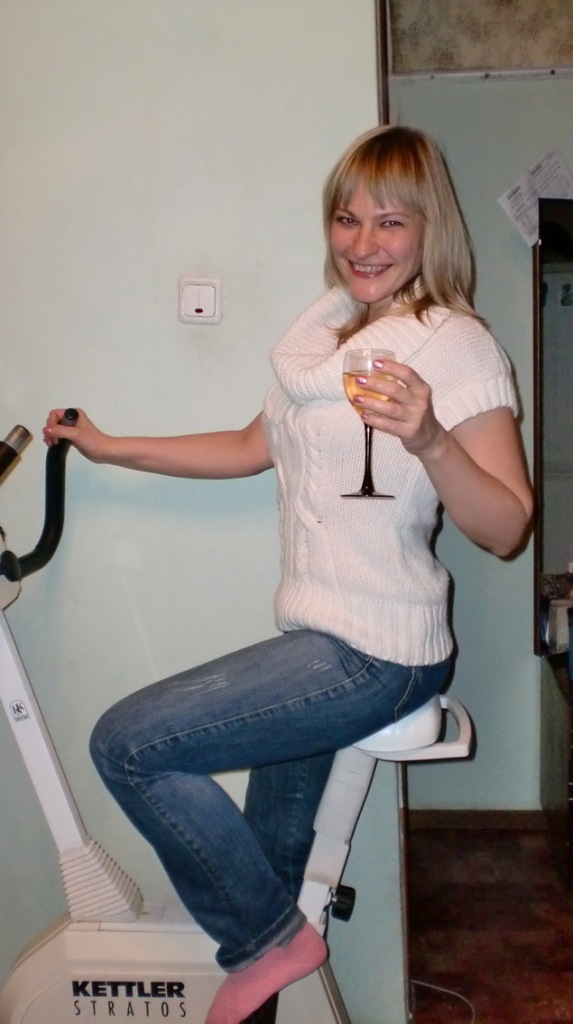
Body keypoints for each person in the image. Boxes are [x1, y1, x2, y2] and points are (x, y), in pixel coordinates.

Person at [44, 125, 533, 1024]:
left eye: (390, 221)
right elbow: (245, 445)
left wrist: (429, 438)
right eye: (346, 219)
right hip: (318, 637)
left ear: (430, 228)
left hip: (382, 652)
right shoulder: (324, 344)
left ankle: (271, 943)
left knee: (128, 745)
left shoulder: (455, 345)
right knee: (268, 873)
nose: (362, 243)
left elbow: (505, 526)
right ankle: (270, 947)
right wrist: (111, 448)